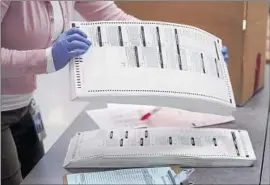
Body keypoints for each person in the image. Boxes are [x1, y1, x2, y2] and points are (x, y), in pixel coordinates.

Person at [1, 1, 229, 185]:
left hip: (24, 105)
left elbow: (118, 21)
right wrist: (47, 58)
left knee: (37, 178)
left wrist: (191, 48)